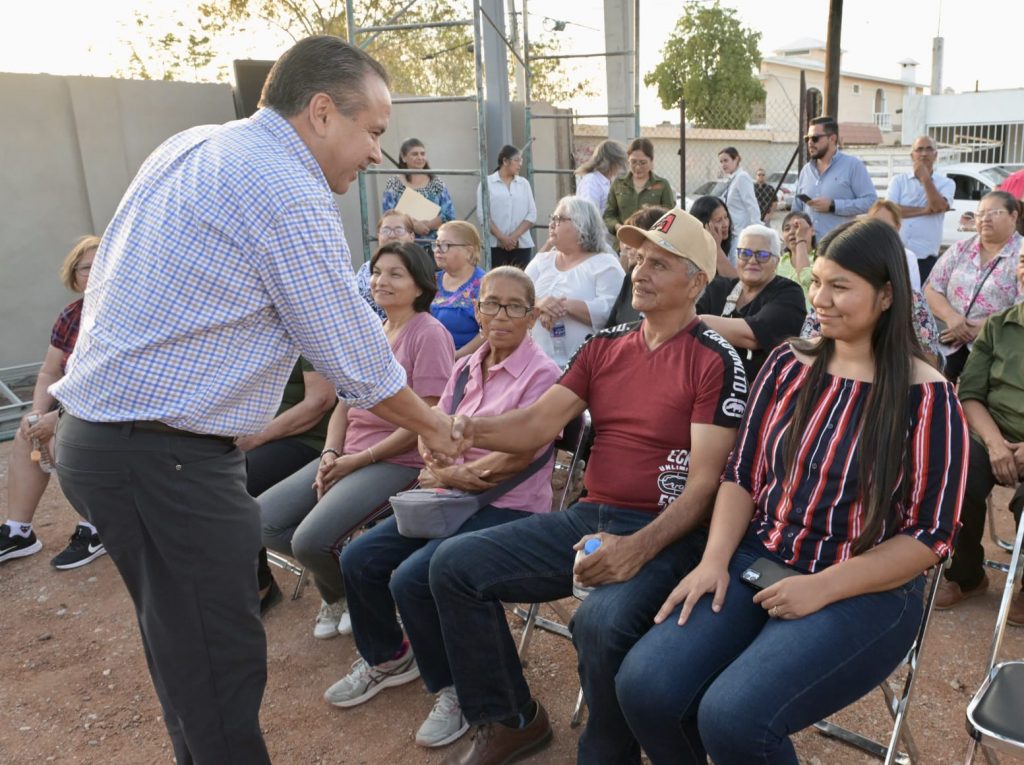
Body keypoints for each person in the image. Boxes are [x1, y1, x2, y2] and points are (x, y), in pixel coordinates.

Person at [49, 37, 460, 765]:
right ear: (322, 111)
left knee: (188, 654)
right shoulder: (285, 186)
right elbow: (352, 350)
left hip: (111, 442)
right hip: (161, 458)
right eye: (373, 130)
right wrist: (437, 426)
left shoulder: (193, 145)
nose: (376, 153)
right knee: (217, 667)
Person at [615, 219, 967, 765]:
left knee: (734, 717)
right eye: (817, 282)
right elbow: (742, 474)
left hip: (864, 586)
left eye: (840, 286)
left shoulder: (928, 398)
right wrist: (713, 561)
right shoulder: (787, 364)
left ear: (887, 295)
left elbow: (930, 535)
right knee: (645, 687)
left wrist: (822, 588)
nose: (820, 299)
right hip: (760, 557)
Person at [427, 207, 748, 765]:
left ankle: (607, 751)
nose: (640, 272)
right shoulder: (605, 346)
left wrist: (637, 548)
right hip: (590, 518)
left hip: (669, 532)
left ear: (697, 282)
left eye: (660, 264)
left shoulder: (715, 359)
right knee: (452, 567)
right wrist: (465, 428)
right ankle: (513, 718)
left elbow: (704, 488)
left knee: (598, 622)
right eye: (639, 260)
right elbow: (536, 425)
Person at [325, 267, 560, 750]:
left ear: (532, 316)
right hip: (450, 497)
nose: (501, 315)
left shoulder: (544, 375)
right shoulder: (467, 365)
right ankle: (389, 657)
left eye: (515, 307)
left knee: (414, 579)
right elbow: (431, 425)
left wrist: (451, 474)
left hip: (507, 504)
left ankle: (455, 688)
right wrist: (434, 459)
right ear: (476, 310)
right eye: (491, 304)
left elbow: (518, 457)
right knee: (359, 558)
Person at [261, 241, 454, 640]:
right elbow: (343, 405)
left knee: (310, 541)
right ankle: (347, 594)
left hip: (397, 460)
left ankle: (360, 598)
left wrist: (359, 459)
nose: (381, 281)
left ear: (420, 285)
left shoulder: (429, 334)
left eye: (395, 274)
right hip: (349, 452)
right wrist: (332, 451)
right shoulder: (372, 330)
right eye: (377, 272)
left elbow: (426, 420)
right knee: (262, 520)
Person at [1, 236, 108, 570]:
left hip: (110, 414)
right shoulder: (71, 315)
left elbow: (109, 384)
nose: (95, 272)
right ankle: (19, 532)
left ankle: (98, 527)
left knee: (65, 438)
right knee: (29, 434)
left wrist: (59, 419)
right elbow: (49, 372)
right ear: (74, 275)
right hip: (71, 409)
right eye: (86, 267)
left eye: (103, 263)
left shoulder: (125, 314)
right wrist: (37, 412)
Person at [935, 242, 1024, 622]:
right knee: (955, 475)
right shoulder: (999, 326)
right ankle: (967, 574)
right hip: (992, 432)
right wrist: (994, 444)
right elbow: (969, 393)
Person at [242, 358, 336, 615]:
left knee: (233, 483)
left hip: (308, 440)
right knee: (204, 474)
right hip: (260, 434)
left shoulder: (307, 337)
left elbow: (319, 402)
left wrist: (255, 438)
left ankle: (259, 585)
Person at [924, 190, 1024, 381]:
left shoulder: (1021, 253)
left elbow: (1022, 306)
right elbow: (931, 289)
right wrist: (952, 318)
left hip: (997, 348)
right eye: (980, 213)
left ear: (1013, 216)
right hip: (947, 343)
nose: (985, 219)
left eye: (994, 213)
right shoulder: (960, 248)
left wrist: (983, 327)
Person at [696, 224, 807, 382]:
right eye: (745, 253)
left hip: (758, 389)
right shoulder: (718, 288)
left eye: (762, 255)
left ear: (776, 261)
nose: (752, 260)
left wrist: (694, 322)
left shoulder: (789, 293)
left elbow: (752, 337)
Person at [525, 196, 624, 367]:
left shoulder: (605, 264)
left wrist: (560, 306)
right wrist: (539, 303)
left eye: (559, 219)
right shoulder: (542, 261)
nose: (551, 224)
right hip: (535, 364)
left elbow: (612, 312)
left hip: (587, 366)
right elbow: (516, 296)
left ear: (582, 225)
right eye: (552, 218)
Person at [792, 117, 877, 238]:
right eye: (807, 138)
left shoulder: (852, 166)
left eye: (815, 138)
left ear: (832, 139)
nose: (810, 142)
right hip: (810, 246)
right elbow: (796, 210)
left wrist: (834, 205)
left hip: (840, 245)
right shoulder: (806, 171)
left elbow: (871, 202)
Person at [885, 135, 955, 282]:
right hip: (897, 255)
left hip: (925, 259)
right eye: (919, 149)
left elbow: (938, 206)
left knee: (922, 296)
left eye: (929, 149)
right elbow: (890, 211)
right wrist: (924, 211)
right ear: (912, 155)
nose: (924, 153)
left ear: (935, 155)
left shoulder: (947, 183)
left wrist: (925, 178)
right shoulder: (898, 181)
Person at [431, 220, 487, 359]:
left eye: (446, 245)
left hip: (467, 363)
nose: (438, 250)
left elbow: (488, 332)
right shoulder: (430, 281)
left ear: (468, 251)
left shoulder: (486, 285)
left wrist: (456, 357)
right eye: (436, 244)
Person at [381, 137, 455, 241]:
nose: (420, 157)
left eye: (422, 154)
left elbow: (449, 214)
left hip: (434, 243)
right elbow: (388, 214)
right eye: (415, 154)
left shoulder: (437, 183)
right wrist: (413, 225)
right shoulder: (394, 184)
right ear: (404, 157)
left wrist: (427, 225)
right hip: (404, 244)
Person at [603, 138, 675, 243]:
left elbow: (669, 217)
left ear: (652, 162)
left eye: (643, 163)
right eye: (633, 162)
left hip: (652, 242)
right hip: (624, 241)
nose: (637, 167)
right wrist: (618, 227)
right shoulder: (618, 183)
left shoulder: (662, 185)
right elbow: (608, 215)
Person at [606, 206, 668, 327]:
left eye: (634, 240)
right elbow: (609, 328)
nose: (626, 246)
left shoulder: (670, 288)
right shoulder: (630, 280)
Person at [478, 144, 537, 269]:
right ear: (505, 161)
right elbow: (483, 215)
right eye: (517, 160)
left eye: (521, 160)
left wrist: (513, 237)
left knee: (520, 279)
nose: (520, 164)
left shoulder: (524, 184)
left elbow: (532, 214)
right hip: (496, 245)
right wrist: (502, 238)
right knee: (498, 279)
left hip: (521, 244)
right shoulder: (487, 183)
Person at [355, 210, 419, 321]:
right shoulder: (365, 269)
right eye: (385, 230)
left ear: (412, 236)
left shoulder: (419, 266)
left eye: (398, 230)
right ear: (378, 236)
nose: (392, 235)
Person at [867, 199, 922, 290]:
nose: (880, 230)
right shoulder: (858, 253)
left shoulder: (908, 257)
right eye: (876, 224)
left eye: (886, 226)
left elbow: (914, 293)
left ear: (897, 227)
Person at [718, 147, 761, 256]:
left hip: (742, 234)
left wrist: (756, 231)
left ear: (736, 159)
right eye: (721, 162)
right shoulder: (733, 179)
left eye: (726, 160)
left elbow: (752, 205)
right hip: (734, 233)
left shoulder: (742, 177)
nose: (723, 164)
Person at [575, 139, 627, 218]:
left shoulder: (607, 182)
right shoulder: (591, 181)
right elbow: (589, 213)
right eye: (619, 163)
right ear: (611, 162)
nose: (620, 167)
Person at [689, 195, 737, 278]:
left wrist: (717, 249)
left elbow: (736, 281)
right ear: (705, 225)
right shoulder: (692, 247)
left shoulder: (735, 243)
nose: (725, 224)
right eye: (718, 220)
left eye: (726, 217)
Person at [777, 210, 816, 297]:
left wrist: (800, 239)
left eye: (797, 227)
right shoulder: (777, 263)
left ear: (812, 231)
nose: (792, 232)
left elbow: (806, 279)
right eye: (787, 229)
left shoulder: (820, 258)